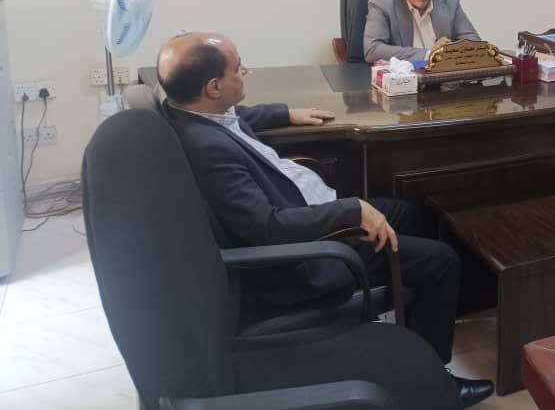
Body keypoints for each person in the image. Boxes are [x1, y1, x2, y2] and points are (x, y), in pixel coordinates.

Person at [157, 31, 493, 407]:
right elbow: (268, 228)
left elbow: (240, 117)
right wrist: (352, 211)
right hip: (307, 256)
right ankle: (439, 383)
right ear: (214, 87)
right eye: (238, 67)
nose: (245, 71)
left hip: (309, 208)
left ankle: (413, 319)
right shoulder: (208, 151)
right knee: (441, 261)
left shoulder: (192, 113)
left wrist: (287, 113)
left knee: (409, 212)